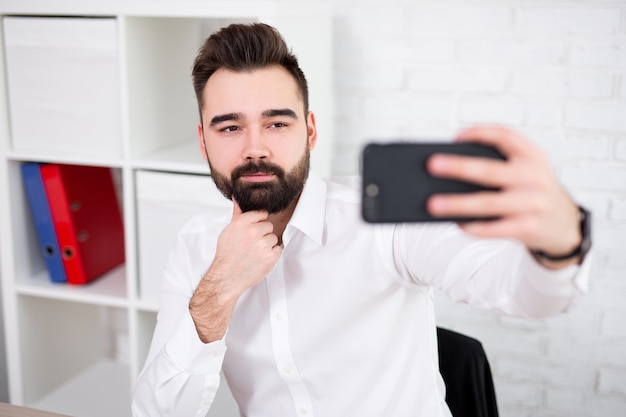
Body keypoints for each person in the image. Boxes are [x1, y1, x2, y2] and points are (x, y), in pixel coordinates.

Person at [132, 23, 592, 417]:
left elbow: (522, 291)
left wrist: (557, 243)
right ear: (203, 141)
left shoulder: (381, 223)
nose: (255, 147)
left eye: (277, 123)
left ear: (309, 130)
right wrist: (221, 288)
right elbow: (156, 410)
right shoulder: (196, 249)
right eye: (230, 127)